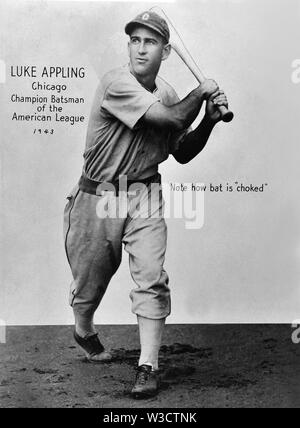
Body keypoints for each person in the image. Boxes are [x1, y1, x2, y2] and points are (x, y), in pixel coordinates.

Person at [63, 10, 229, 399]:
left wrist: (208, 120)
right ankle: (83, 328)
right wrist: (202, 92)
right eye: (135, 40)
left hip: (144, 193)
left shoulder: (169, 93)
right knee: (89, 284)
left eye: (149, 41)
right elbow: (171, 116)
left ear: (166, 50)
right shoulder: (115, 83)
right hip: (98, 194)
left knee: (151, 278)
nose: (140, 48)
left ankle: (148, 365)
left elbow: (182, 151)